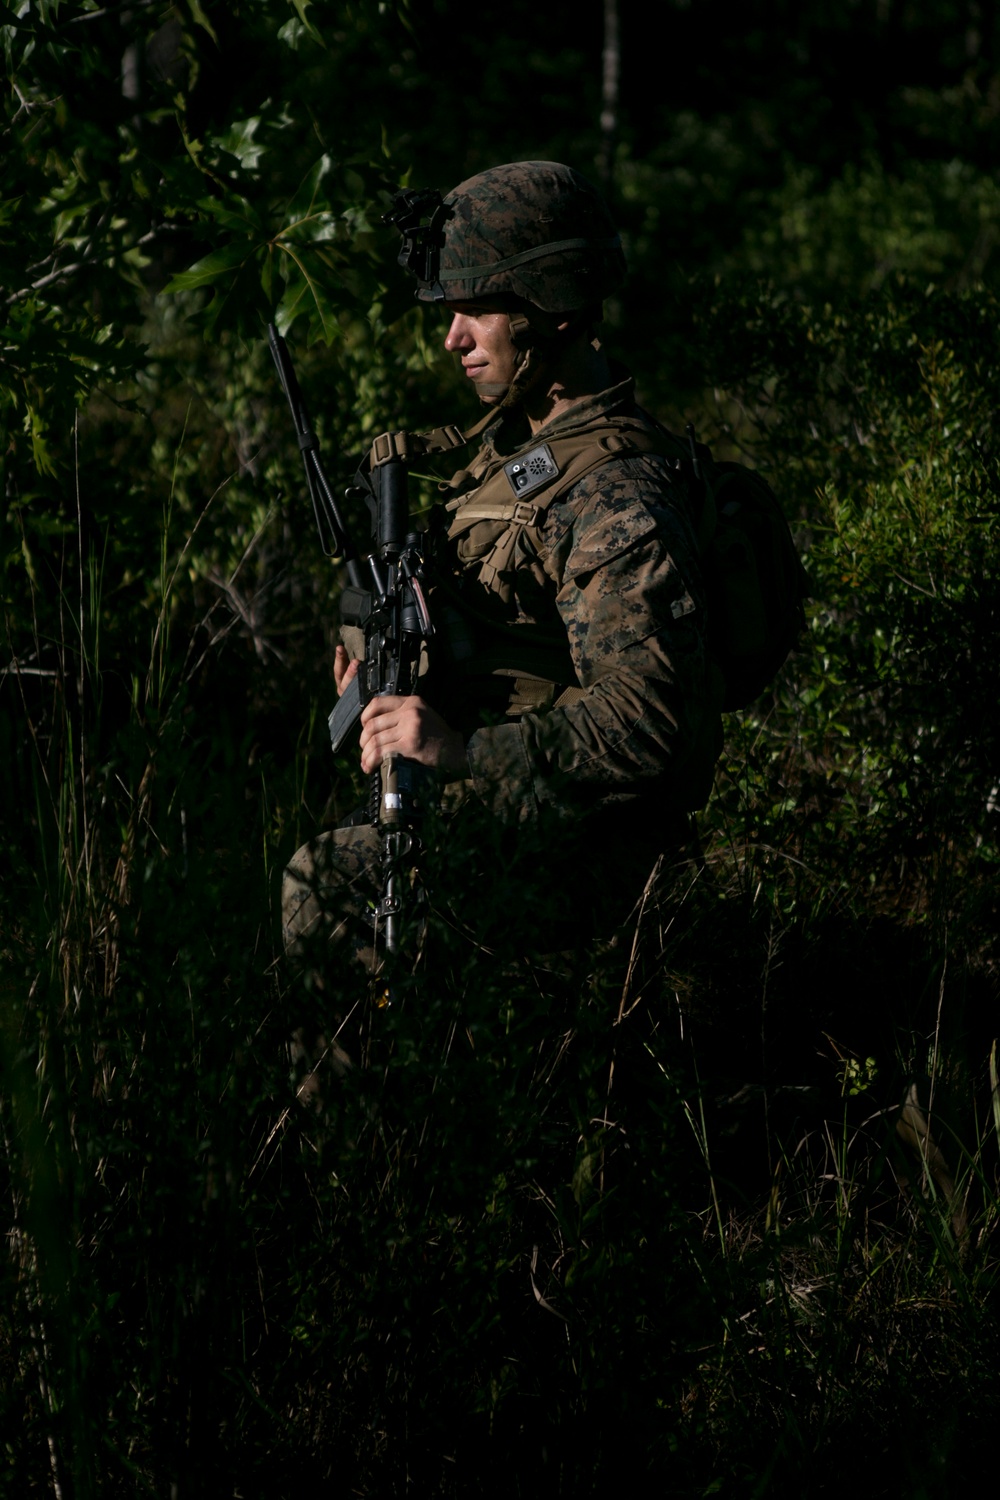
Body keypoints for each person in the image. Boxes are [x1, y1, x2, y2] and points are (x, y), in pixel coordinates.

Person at [282, 161, 724, 1010]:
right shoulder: (518, 450)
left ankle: (373, 1139)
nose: (453, 337)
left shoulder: (614, 491)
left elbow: (651, 722)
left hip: (591, 850)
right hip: (514, 818)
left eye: (475, 309)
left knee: (327, 884)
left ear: (548, 304)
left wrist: (455, 748)